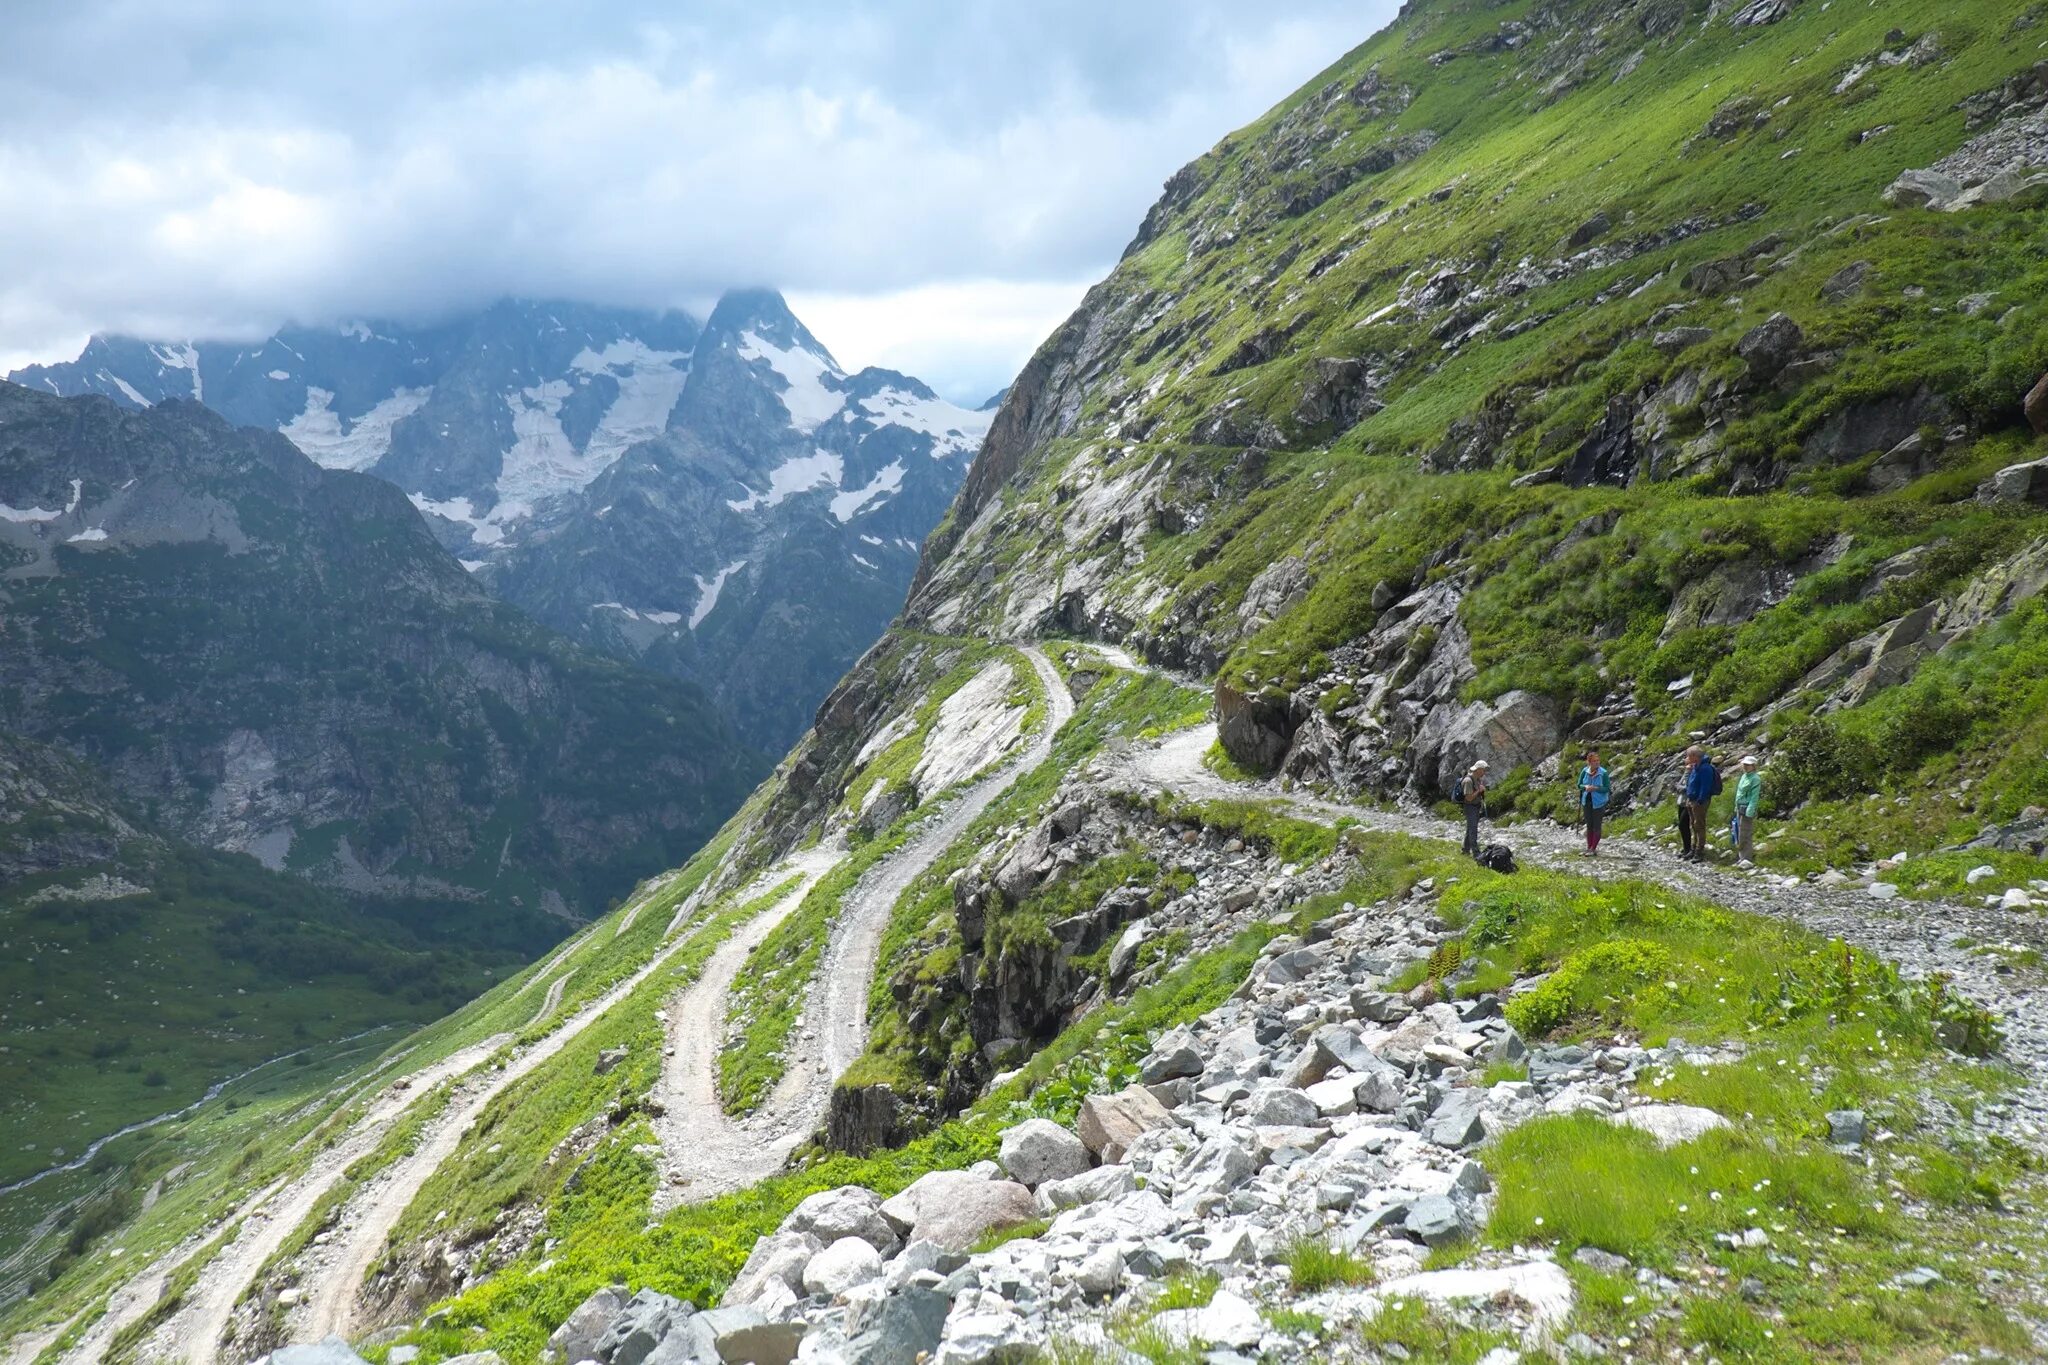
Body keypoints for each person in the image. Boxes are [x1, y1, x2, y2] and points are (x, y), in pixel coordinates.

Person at [1681, 745, 1719, 861]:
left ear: (1694, 756)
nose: (1687, 757)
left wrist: (1700, 800)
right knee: (1693, 825)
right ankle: (1693, 849)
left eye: (1688, 755)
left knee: (1699, 826)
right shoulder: (1695, 766)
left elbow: (1705, 786)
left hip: (1699, 801)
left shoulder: (1705, 768)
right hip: (1691, 799)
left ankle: (1699, 851)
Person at [1579, 749, 1611, 856]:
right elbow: (1579, 785)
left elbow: (1607, 788)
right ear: (1589, 762)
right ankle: (1589, 848)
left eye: (1598, 761)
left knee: (1597, 826)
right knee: (1589, 825)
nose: (1597, 763)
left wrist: (1596, 788)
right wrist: (1585, 787)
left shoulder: (1604, 773)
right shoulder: (1584, 771)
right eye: (1594, 761)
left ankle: (1593, 848)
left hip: (1599, 803)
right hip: (1587, 801)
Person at [1454, 760, 1489, 858]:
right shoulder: (1468, 781)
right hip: (1470, 807)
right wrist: (1479, 790)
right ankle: (1476, 853)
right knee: (1473, 830)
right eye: (1483, 770)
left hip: (1475, 807)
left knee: (1470, 828)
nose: (1484, 772)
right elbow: (1468, 798)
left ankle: (1465, 850)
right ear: (1478, 770)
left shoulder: (1477, 779)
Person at [1733, 755, 1762, 867]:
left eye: (1748, 765)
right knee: (1739, 833)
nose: (1746, 766)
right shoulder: (1744, 776)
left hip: (1747, 808)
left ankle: (1746, 857)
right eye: (1744, 764)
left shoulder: (1755, 779)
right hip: (1739, 806)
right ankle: (1741, 856)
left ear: (1753, 766)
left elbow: (1754, 796)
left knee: (1746, 833)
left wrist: (1750, 810)